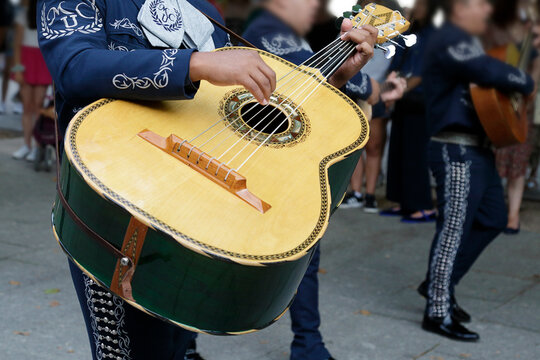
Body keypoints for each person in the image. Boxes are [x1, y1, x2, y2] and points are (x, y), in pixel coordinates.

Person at [37, 0, 377, 358]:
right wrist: (196, 63)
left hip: (199, 215)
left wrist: (334, 78)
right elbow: (74, 67)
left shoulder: (202, 11)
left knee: (176, 348)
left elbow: (227, 110)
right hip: (117, 202)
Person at [243, 1, 403, 359]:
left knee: (305, 252)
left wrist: (378, 91)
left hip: (279, 161)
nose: (314, 8)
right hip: (250, 161)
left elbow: (330, 78)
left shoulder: (281, 31)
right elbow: (311, 67)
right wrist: (376, 90)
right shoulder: (267, 27)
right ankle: (307, 344)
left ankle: (308, 343)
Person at [420, 0, 534, 341]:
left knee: (493, 219)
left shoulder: (472, 41)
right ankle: (436, 311)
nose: (486, 10)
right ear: (460, 7)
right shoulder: (449, 37)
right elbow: (487, 71)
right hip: (455, 147)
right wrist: (523, 79)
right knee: (453, 229)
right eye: (479, 3)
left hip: (478, 149)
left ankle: (439, 283)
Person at [340, 0, 406, 213]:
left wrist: (386, 90)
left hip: (379, 89)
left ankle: (370, 195)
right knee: (352, 145)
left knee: (375, 145)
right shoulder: (351, 22)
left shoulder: (396, 24)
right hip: (351, 87)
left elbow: (396, 65)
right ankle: (356, 192)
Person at [484, 0, 540, 235]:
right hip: (501, 108)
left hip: (522, 112)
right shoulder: (503, 42)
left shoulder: (534, 49)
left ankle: (513, 216)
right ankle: (496, 211)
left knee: (517, 166)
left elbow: (533, 84)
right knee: (495, 164)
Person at [382, 0, 437, 223]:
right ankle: (403, 202)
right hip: (402, 97)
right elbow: (395, 61)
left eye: (422, 4)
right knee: (398, 150)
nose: (417, 7)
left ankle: (422, 206)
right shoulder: (410, 31)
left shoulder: (434, 34)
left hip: (421, 99)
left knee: (416, 153)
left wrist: (398, 92)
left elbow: (423, 71)